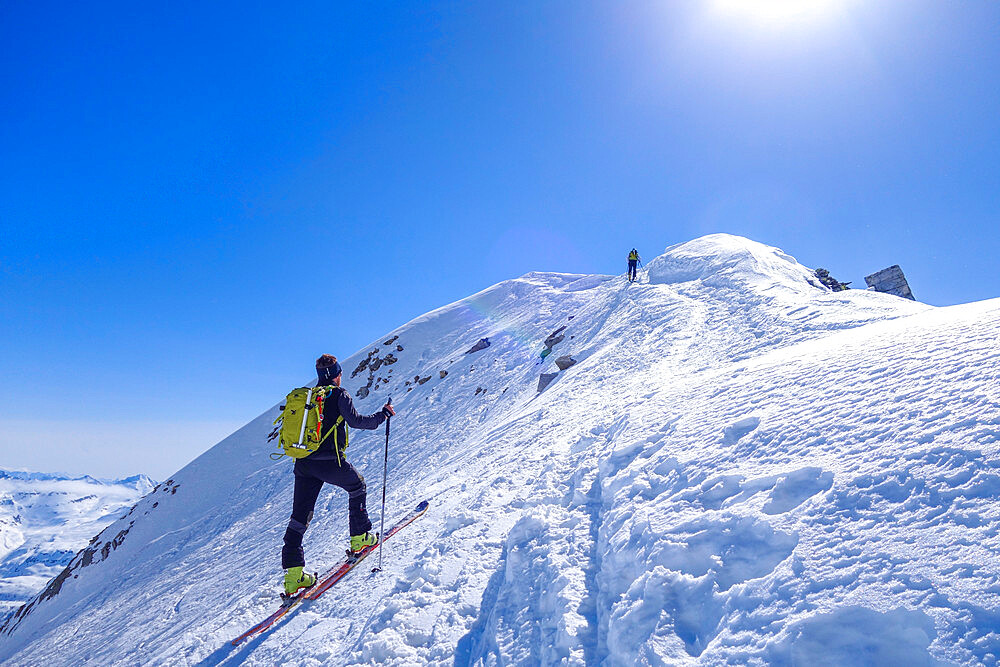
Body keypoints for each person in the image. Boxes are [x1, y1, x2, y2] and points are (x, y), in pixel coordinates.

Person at [280, 354, 396, 596]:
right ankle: (360, 537)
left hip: (303, 463)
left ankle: (293, 577)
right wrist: (382, 415)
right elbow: (356, 421)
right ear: (336, 374)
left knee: (299, 517)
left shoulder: (309, 397)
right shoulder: (338, 394)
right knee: (358, 487)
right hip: (329, 462)